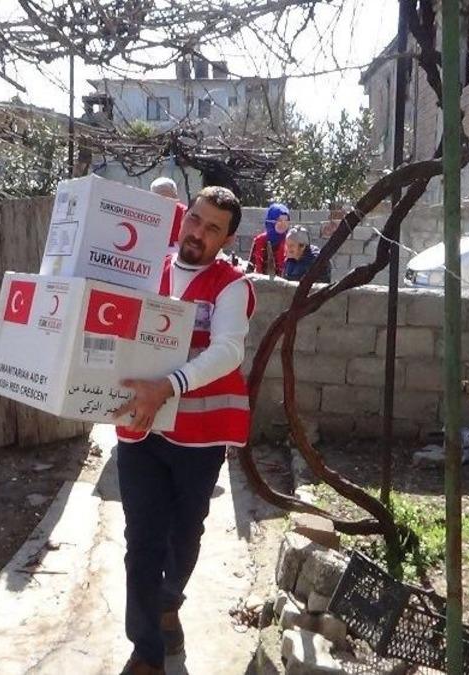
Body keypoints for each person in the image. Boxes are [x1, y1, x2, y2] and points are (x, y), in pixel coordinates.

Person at [113, 186, 255, 675]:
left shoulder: (231, 285)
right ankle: (146, 650)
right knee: (141, 539)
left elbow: (229, 349)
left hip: (199, 436)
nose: (198, 232)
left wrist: (168, 385)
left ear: (227, 238)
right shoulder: (146, 269)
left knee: (184, 534)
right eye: (195, 219)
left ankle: (169, 600)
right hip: (140, 428)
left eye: (212, 227)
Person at [248, 202, 290, 275]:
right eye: (279, 220)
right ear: (271, 221)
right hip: (262, 283)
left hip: (283, 284)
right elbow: (251, 266)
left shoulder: (290, 241)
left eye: (286, 221)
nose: (283, 224)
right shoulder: (259, 240)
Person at [150, 176, 187, 253]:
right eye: (157, 197)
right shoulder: (146, 211)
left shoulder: (186, 214)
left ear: (175, 196)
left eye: (166, 197)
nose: (162, 201)